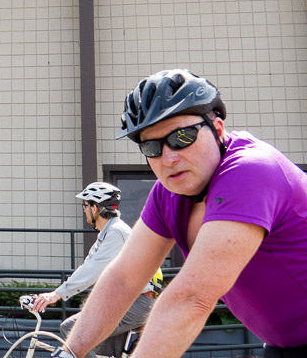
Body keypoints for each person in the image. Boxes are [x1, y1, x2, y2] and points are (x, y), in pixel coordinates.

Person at [55, 69, 307, 358]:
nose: (169, 158)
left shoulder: (252, 171)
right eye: (151, 146)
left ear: (218, 129)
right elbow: (124, 279)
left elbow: (191, 299)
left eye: (182, 136)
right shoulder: (169, 193)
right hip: (283, 346)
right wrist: (69, 353)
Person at [32, 182, 158, 358]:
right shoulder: (107, 233)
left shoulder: (116, 233)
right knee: (100, 349)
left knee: (72, 329)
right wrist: (56, 292)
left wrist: (56, 295)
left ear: (95, 207)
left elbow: (93, 269)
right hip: (124, 303)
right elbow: (87, 265)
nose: (84, 210)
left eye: (85, 205)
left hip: (136, 304)